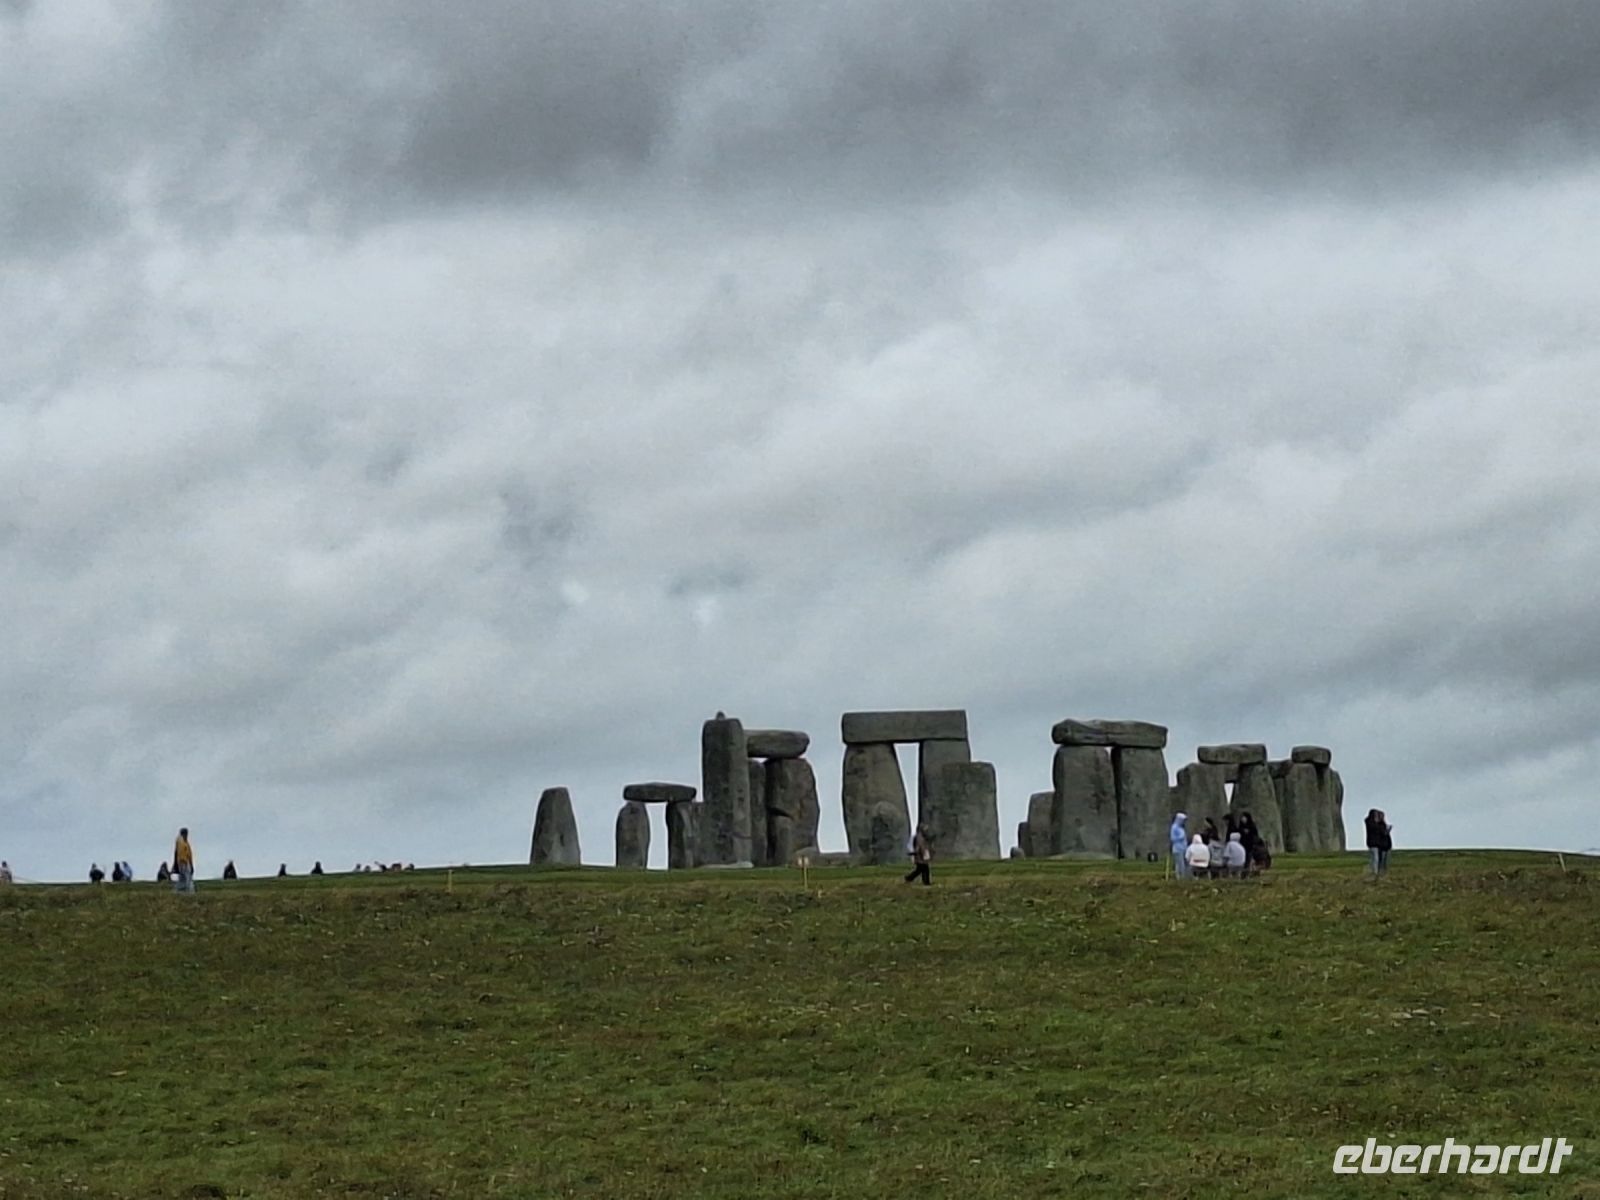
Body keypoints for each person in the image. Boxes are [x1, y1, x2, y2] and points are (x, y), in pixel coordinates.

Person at [1365, 809, 1393, 878]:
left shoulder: (1379, 824)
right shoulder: (1371, 823)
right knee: (1376, 859)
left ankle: (1377, 873)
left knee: (1380, 860)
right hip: (1374, 844)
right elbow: (1381, 832)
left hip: (1380, 845)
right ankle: (1375, 872)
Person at [173, 828, 195, 894]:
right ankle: (189, 891)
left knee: (183, 878)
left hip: (185, 861)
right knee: (186, 876)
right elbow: (180, 852)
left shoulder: (185, 842)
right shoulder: (180, 841)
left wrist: (191, 864)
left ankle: (179, 891)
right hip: (183, 861)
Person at [1169, 812, 1190, 879]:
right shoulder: (1174, 827)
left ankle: (1184, 877)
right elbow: (1172, 838)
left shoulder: (1181, 828)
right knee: (1180, 864)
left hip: (1184, 848)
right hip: (1178, 848)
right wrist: (1180, 837)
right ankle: (1180, 877)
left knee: (1184, 864)